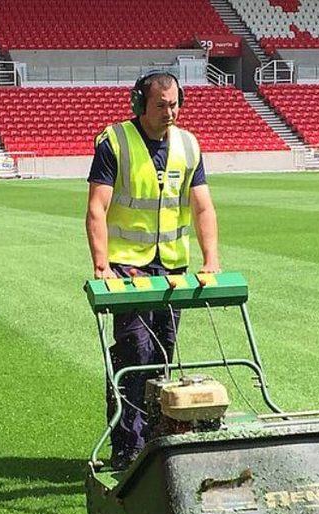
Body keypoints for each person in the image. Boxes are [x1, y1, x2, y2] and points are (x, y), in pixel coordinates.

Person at [84, 71, 221, 470]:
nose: (170, 112)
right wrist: (102, 265)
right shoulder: (115, 142)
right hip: (128, 267)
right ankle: (126, 448)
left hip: (174, 265)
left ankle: (157, 441)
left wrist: (211, 259)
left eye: (175, 103)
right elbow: (97, 208)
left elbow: (203, 207)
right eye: (160, 105)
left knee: (163, 354)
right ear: (139, 104)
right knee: (136, 352)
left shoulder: (188, 145)